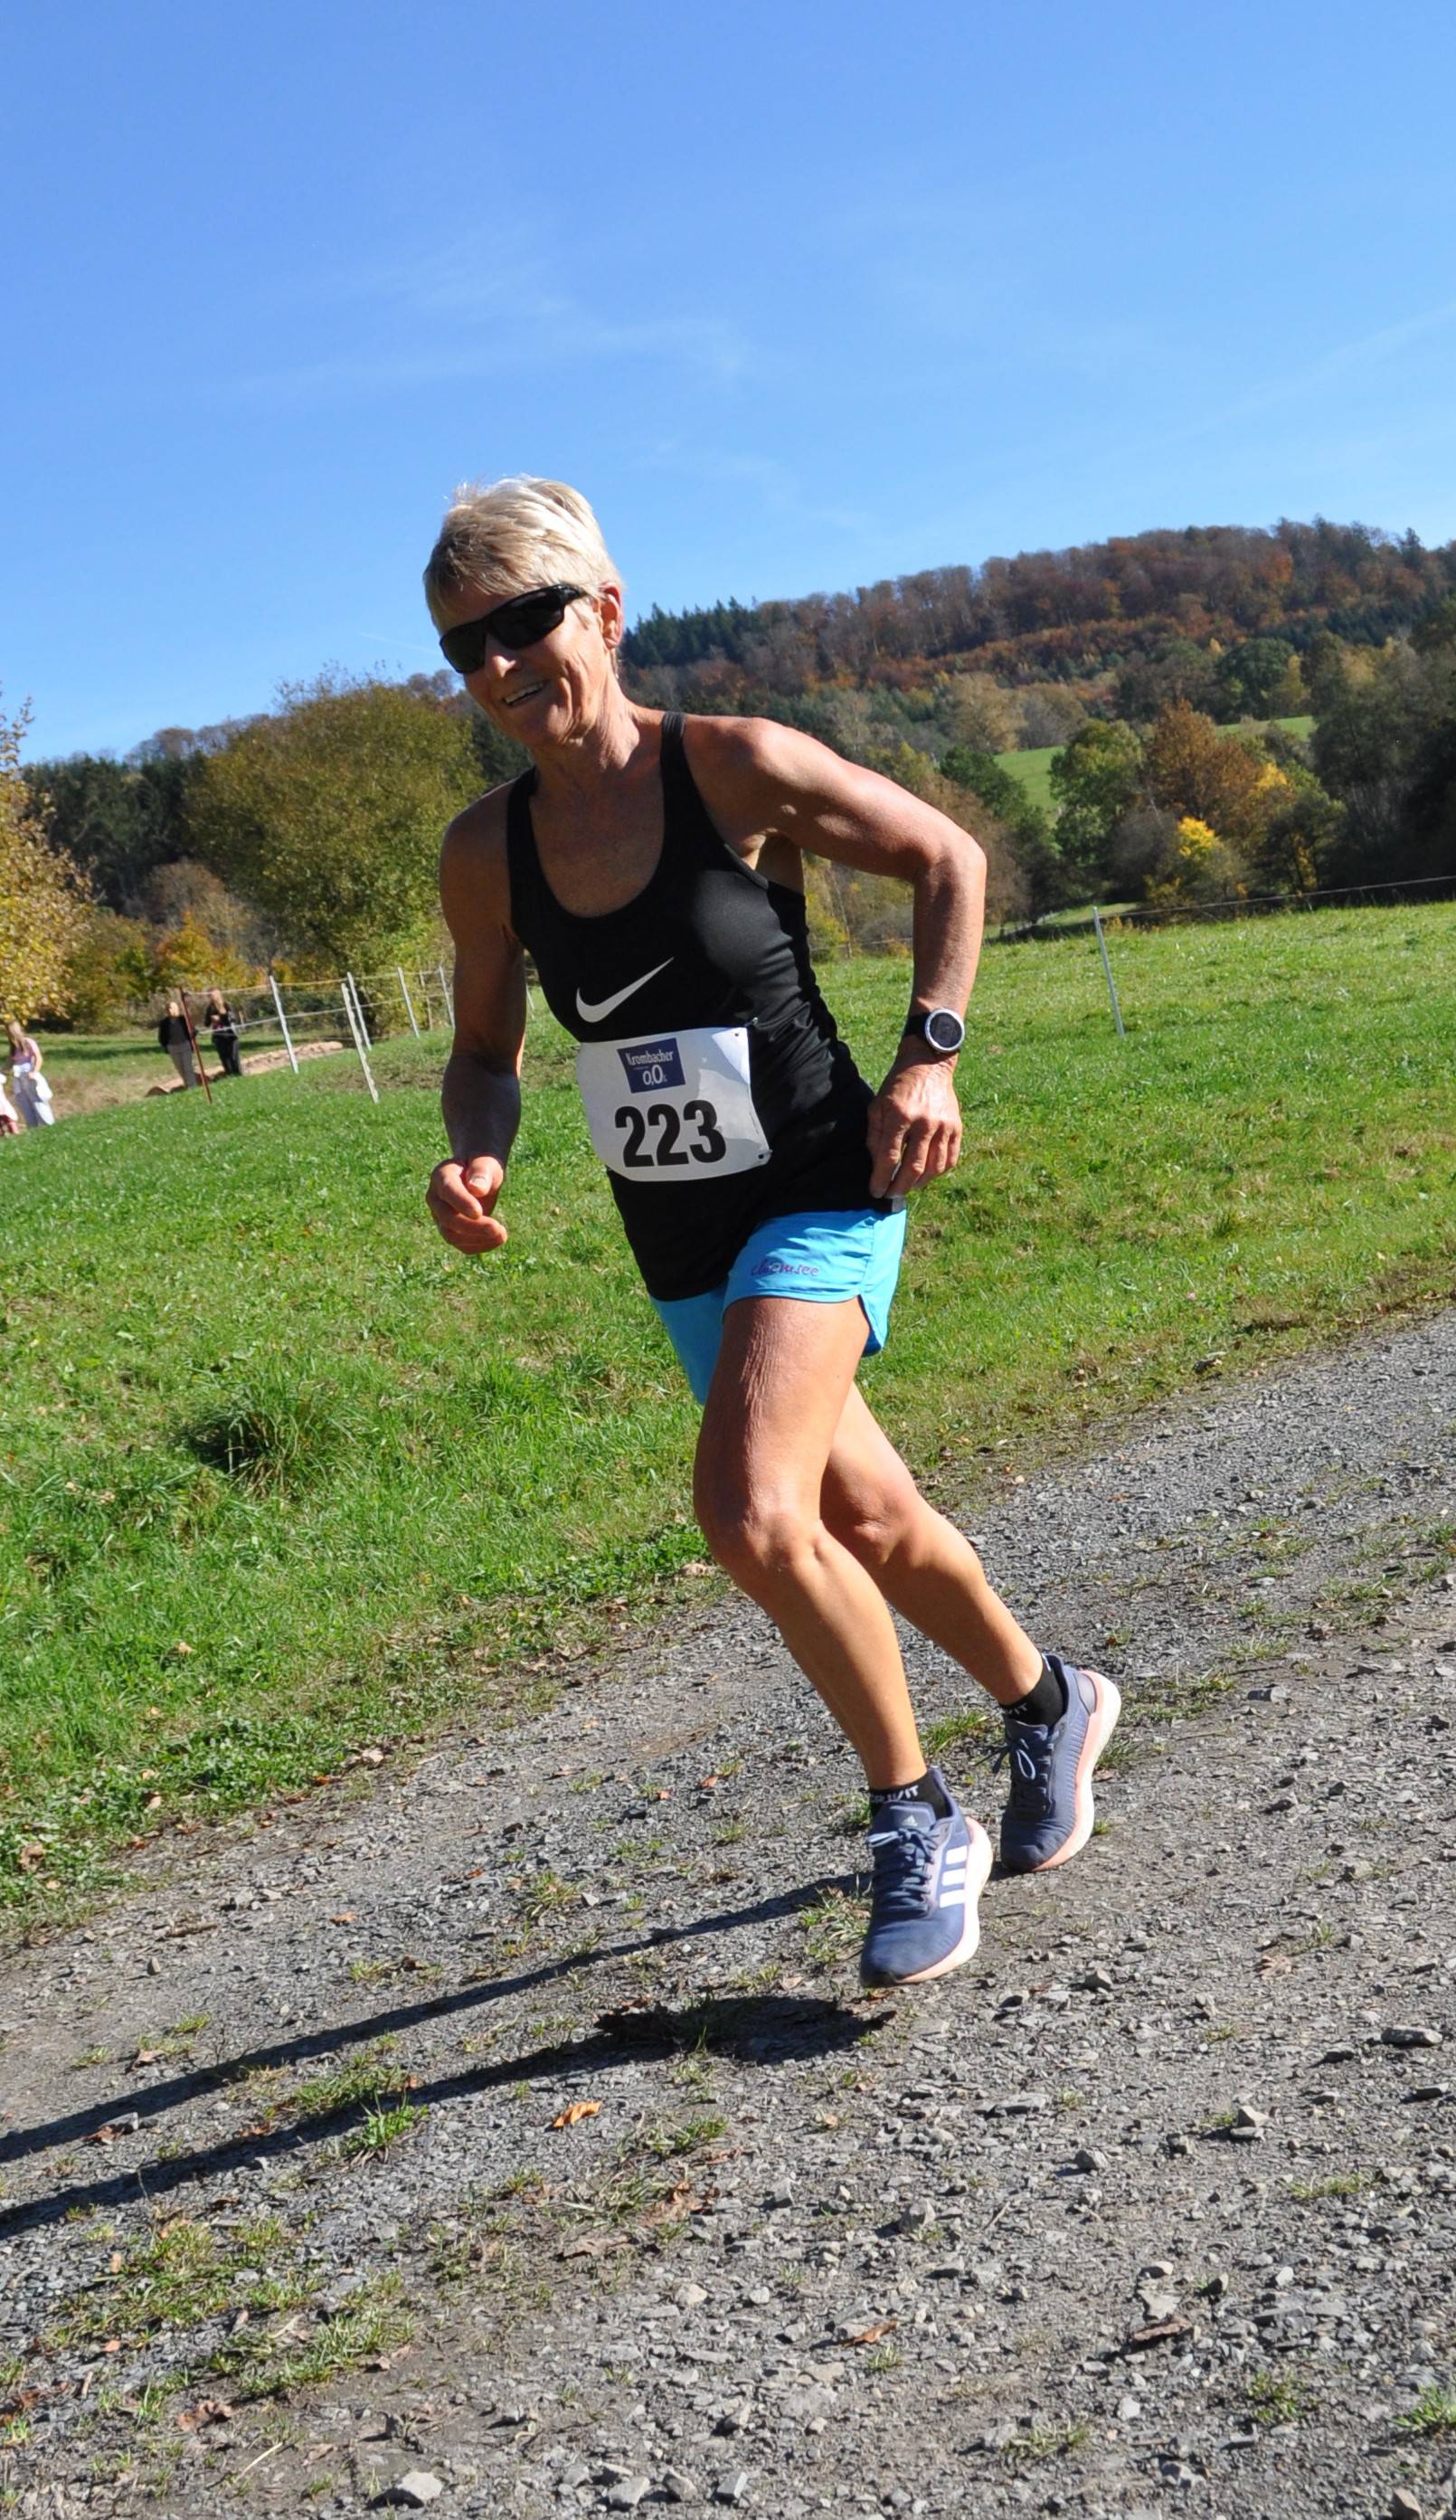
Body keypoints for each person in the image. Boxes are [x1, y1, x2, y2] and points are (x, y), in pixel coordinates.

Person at [422, 477, 1120, 1989]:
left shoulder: (731, 766)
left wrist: (930, 1055)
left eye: (521, 622)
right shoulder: (487, 852)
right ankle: (1049, 1701)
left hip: (817, 1179)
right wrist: (474, 1152)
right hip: (679, 1238)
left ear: (604, 611)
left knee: (748, 1513)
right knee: (863, 1518)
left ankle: (915, 1815)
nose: (497, 666)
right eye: (464, 646)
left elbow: (949, 859)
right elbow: (485, 1051)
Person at [5, 1020, 55, 1128]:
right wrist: (3, 1072)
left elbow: (38, 1058)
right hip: (18, 1078)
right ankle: (33, 1128)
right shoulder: (13, 1047)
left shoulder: (28, 1042)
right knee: (24, 1103)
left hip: (29, 1076)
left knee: (37, 1101)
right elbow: (10, 1062)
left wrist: (34, 1072)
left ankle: (48, 1125)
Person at [156, 997, 199, 1091]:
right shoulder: (164, 1023)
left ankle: (193, 1086)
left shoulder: (183, 1019)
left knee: (188, 1067)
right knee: (180, 1068)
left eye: (173, 1008)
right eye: (169, 1008)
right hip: (173, 1047)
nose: (171, 1010)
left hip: (185, 1045)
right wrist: (166, 1045)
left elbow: (193, 1030)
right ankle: (187, 1085)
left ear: (177, 1009)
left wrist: (193, 1035)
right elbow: (162, 1037)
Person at [205, 990, 243, 1076]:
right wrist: (211, 1019)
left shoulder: (227, 1005)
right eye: (210, 996)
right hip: (218, 1036)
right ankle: (229, 1074)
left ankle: (238, 1074)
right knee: (224, 1058)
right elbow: (206, 1024)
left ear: (218, 995)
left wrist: (220, 1018)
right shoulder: (210, 1008)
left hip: (230, 1035)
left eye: (212, 995)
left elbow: (233, 1019)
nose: (211, 997)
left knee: (234, 1057)